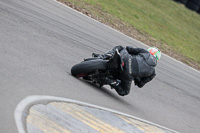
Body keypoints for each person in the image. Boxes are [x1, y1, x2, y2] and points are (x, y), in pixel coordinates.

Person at [92, 45, 161, 96]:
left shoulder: (145, 52)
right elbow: (140, 84)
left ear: (149, 51)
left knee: (120, 48)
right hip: (128, 74)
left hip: (126, 60)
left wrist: (132, 54)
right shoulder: (153, 73)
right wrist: (137, 77)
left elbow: (128, 48)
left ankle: (102, 56)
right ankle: (108, 80)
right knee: (124, 91)